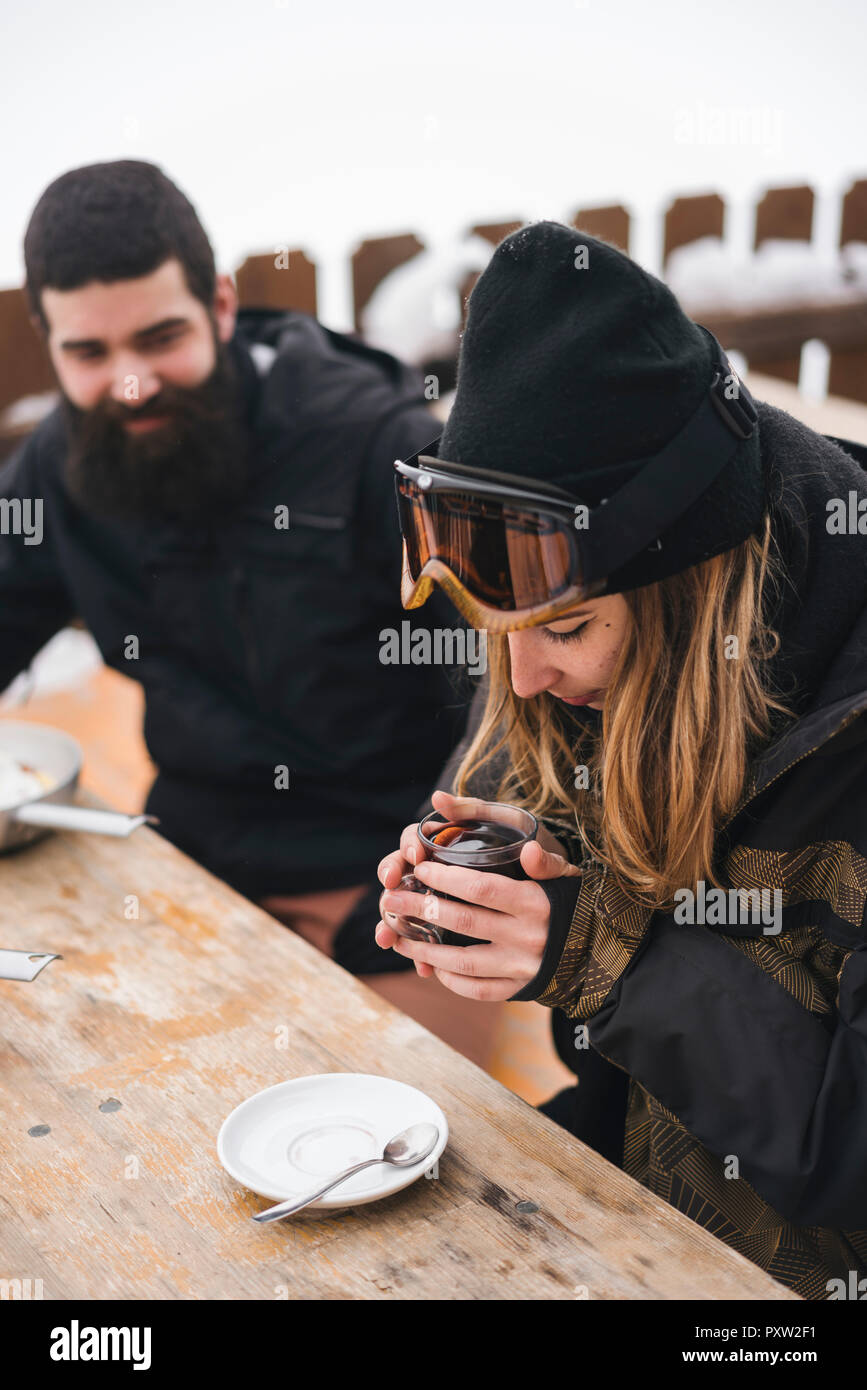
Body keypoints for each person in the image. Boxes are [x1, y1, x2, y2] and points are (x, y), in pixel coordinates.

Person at [373, 220, 867, 1299]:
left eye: (565, 630)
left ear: (700, 594)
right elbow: (571, 965)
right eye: (496, 633)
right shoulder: (564, 625)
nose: (525, 679)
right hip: (628, 1183)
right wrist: (474, 882)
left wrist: (597, 952)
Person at [0, 159, 480, 1036]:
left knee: (421, 1140)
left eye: (159, 338)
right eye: (89, 353)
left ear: (220, 306)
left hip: (390, 883)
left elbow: (508, 691)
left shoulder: (381, 449)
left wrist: (420, 892)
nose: (131, 381)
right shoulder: (58, 467)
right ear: (50, 344)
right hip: (190, 862)